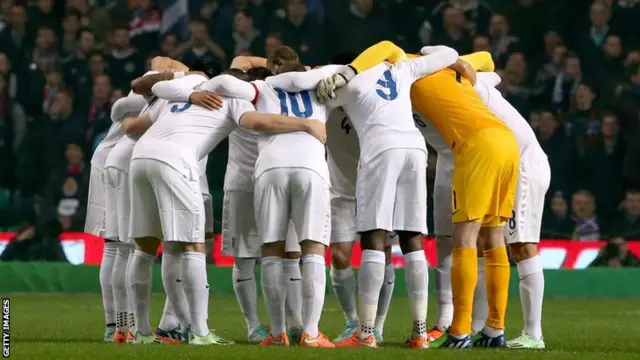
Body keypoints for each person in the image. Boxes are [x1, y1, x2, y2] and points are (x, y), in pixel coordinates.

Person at [326, 41, 519, 348]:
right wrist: (460, 66)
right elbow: (484, 60)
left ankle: (457, 331)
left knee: (464, 239)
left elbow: (386, 49)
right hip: (506, 141)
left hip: (473, 147)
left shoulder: (402, 68)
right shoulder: (431, 66)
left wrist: (349, 71)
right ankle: (494, 329)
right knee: (493, 239)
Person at [128, 70, 326, 345]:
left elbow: (137, 114)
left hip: (140, 158)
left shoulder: (178, 91)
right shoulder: (234, 98)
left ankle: (141, 332)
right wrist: (305, 124)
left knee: (144, 247)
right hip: (176, 160)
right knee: (193, 246)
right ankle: (199, 332)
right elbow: (257, 121)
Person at [280, 42, 457, 349]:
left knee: (373, 236)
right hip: (415, 150)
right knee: (412, 237)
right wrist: (419, 51)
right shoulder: (400, 68)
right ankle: (418, 334)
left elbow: (295, 82)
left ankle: (365, 333)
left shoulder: (343, 76)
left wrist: (310, 73)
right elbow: (450, 55)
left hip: (380, 149)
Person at [206, 62, 337, 347]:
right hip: (280, 174)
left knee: (277, 252)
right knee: (302, 249)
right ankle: (294, 330)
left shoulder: (258, 91)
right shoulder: (318, 90)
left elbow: (228, 81)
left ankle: (285, 329)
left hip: (267, 171)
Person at [471, 71, 550, 349]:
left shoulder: (473, 88)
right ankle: (479, 326)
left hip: (524, 167)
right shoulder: (480, 89)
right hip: (506, 167)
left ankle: (533, 334)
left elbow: (478, 73)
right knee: (485, 242)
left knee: (523, 246)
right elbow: (492, 73)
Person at [99, 92, 147, 343]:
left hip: (114, 160)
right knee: (124, 247)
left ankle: (116, 326)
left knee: (116, 246)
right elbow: (119, 110)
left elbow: (117, 110)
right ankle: (121, 326)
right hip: (124, 163)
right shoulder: (167, 93)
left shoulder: (162, 93)